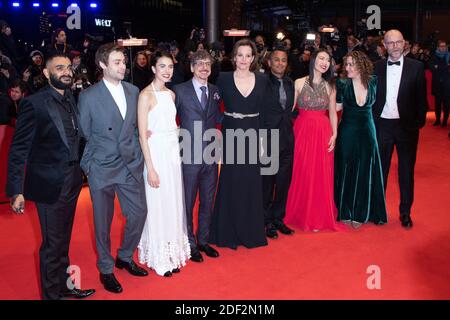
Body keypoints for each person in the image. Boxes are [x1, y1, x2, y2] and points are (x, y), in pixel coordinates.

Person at [6, 54, 95, 300]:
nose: (66, 71)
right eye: (59, 68)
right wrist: (16, 190)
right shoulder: (33, 103)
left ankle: (64, 287)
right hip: (49, 184)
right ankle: (51, 296)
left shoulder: (72, 98)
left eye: (68, 67)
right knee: (51, 245)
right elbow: (19, 149)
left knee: (63, 242)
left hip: (73, 180)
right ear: (46, 73)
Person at [78, 43, 149, 294]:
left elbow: (136, 126)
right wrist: (90, 166)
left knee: (139, 213)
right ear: (102, 65)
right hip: (102, 167)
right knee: (102, 223)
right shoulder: (88, 96)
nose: (123, 66)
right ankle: (106, 268)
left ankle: (125, 256)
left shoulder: (133, 90)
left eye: (123, 62)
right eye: (117, 62)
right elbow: (84, 133)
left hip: (130, 164)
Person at [209, 39, 268, 249]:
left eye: (247, 55)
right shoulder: (223, 79)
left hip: (253, 131)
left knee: (251, 181)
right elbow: (212, 107)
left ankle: (250, 231)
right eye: (240, 55)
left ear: (253, 58)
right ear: (234, 57)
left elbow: (267, 110)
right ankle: (227, 232)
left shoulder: (262, 80)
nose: (243, 59)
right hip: (231, 131)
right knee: (231, 179)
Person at [137, 51, 191, 277]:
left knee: (172, 202)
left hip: (171, 154)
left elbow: (170, 125)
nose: (167, 70)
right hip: (155, 155)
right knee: (157, 204)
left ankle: (171, 253)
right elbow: (142, 134)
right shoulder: (145, 95)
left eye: (170, 66)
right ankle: (158, 258)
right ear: (153, 69)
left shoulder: (171, 94)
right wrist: (150, 167)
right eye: (162, 66)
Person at [373, 29, 427, 229]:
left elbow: (421, 99)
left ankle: (405, 212)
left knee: (406, 171)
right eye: (390, 43)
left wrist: (418, 123)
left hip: (407, 128)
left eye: (398, 42)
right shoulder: (375, 67)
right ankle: (378, 210)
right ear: (384, 46)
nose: (394, 46)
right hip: (382, 126)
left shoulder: (417, 67)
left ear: (404, 44)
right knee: (380, 171)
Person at [284, 49, 341, 232]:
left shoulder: (330, 86)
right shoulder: (299, 82)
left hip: (323, 131)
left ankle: (318, 216)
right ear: (314, 59)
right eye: (321, 58)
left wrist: (334, 134)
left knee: (321, 173)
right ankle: (301, 213)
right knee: (303, 171)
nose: (324, 62)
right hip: (302, 130)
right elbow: (289, 108)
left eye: (328, 60)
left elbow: (332, 112)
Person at [173, 50, 221, 262]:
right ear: (191, 67)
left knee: (207, 201)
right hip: (188, 157)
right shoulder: (178, 91)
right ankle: (189, 242)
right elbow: (167, 118)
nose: (204, 67)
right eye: (199, 63)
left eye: (207, 63)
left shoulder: (215, 90)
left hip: (211, 156)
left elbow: (219, 117)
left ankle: (203, 240)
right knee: (188, 202)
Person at [334, 51, 388, 228]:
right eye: (346, 64)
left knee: (366, 169)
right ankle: (345, 210)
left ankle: (361, 211)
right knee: (346, 169)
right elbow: (336, 107)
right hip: (347, 131)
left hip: (367, 131)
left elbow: (381, 104)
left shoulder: (373, 81)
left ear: (361, 65)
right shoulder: (342, 83)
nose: (347, 68)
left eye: (351, 64)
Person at [262, 47, 295, 239]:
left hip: (287, 139)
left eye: (283, 60)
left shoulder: (290, 83)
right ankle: (265, 221)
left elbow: (289, 110)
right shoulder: (262, 83)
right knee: (267, 184)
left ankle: (278, 218)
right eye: (276, 60)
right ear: (269, 62)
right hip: (268, 139)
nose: (280, 63)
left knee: (283, 183)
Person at [429, 40, 449, 126]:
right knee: (437, 103)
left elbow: (437, 68)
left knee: (446, 104)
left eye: (444, 46)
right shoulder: (434, 56)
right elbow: (431, 67)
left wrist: (438, 67)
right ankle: (437, 120)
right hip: (437, 84)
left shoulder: (449, 55)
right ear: (438, 47)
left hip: (447, 85)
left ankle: (445, 120)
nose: (443, 47)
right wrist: (445, 66)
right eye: (441, 46)